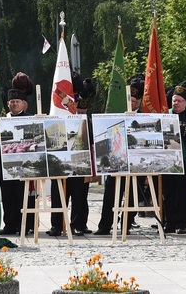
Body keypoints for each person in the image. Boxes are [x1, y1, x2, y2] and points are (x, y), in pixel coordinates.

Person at [95, 74, 143, 236]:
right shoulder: (116, 113)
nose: (132, 102)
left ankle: (126, 225)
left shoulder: (144, 116)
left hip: (136, 164)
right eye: (130, 99)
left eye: (135, 100)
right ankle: (105, 226)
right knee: (110, 194)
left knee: (132, 196)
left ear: (139, 101)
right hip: (117, 161)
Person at [49, 75, 95, 236]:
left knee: (79, 195)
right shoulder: (60, 112)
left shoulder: (87, 119)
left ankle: (78, 224)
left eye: (83, 111)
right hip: (61, 158)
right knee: (58, 193)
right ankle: (57, 225)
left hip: (80, 159)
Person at [0, 72, 34, 236]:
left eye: (17, 101)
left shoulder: (30, 119)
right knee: (7, 196)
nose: (14, 104)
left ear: (23, 103)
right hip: (6, 164)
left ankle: (24, 225)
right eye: (12, 102)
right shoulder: (2, 120)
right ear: (8, 104)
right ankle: (9, 225)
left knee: (22, 195)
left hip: (24, 164)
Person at [162, 78, 186, 234]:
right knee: (168, 193)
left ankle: (182, 223)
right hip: (168, 162)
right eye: (174, 100)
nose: (176, 103)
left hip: (185, 162)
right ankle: (169, 222)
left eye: (179, 101)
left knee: (183, 193)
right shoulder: (165, 115)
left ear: (185, 103)